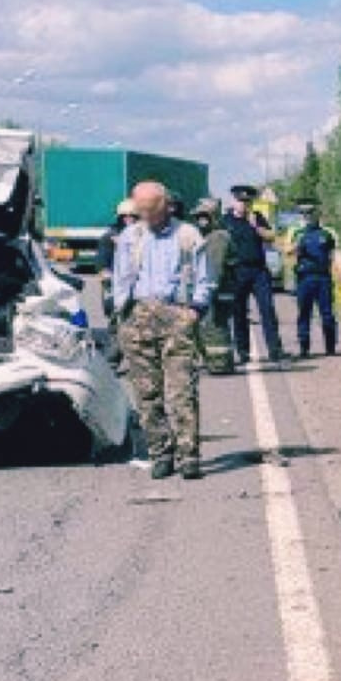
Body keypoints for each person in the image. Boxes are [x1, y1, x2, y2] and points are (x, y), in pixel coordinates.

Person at [110, 181, 213, 480]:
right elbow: (121, 278)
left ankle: (188, 455)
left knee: (180, 390)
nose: (146, 217)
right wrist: (123, 314)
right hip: (139, 315)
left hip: (175, 314)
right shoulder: (131, 236)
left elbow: (205, 279)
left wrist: (194, 311)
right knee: (146, 393)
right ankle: (160, 453)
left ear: (166, 206)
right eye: (141, 211)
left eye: (150, 211)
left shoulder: (188, 235)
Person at [222, 183, 285, 364]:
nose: (244, 205)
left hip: (258, 271)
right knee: (239, 313)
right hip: (237, 272)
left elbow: (271, 237)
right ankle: (243, 352)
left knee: (267, 310)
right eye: (240, 201)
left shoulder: (257, 217)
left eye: (247, 202)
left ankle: (275, 350)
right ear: (233, 201)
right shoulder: (225, 221)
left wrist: (256, 226)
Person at [189, 198, 238, 376]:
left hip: (218, 292)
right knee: (211, 327)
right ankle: (216, 362)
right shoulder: (209, 237)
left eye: (205, 217)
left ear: (214, 217)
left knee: (215, 328)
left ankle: (220, 365)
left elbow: (214, 267)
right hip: (217, 291)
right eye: (199, 217)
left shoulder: (218, 237)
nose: (201, 221)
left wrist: (206, 292)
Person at [290, 201, 340, 358]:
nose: (308, 217)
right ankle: (304, 349)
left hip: (323, 278)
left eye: (311, 213)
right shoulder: (297, 232)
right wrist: (296, 247)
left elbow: (335, 254)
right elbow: (287, 251)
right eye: (304, 214)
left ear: (317, 214)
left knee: (327, 314)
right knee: (304, 313)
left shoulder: (327, 233)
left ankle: (330, 347)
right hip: (304, 278)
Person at [97, 198, 139, 369]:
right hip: (116, 287)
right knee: (117, 325)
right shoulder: (110, 237)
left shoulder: (143, 234)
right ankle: (111, 362)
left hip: (138, 287)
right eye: (125, 216)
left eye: (133, 216)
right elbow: (102, 264)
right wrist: (109, 290)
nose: (129, 219)